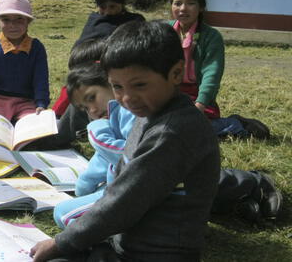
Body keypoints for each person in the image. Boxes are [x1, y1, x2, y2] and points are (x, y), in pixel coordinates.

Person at [31, 20, 220, 261]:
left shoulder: (172, 132)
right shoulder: (147, 113)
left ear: (175, 73)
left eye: (139, 85)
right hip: (126, 241)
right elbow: (120, 179)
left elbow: (125, 201)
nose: (127, 98)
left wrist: (61, 243)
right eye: (117, 87)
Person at [52, 47, 281, 231]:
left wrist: (98, 134)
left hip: (159, 191)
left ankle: (252, 183)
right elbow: (108, 162)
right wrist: (85, 184)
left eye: (92, 98)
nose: (91, 110)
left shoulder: (137, 110)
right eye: (84, 108)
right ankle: (239, 203)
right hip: (151, 189)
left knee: (194, 182)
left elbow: (133, 159)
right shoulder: (114, 114)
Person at [169, 0, 270, 139]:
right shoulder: (164, 31)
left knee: (186, 130)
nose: (183, 8)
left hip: (196, 98)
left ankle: (236, 125)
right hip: (168, 94)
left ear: (201, 7)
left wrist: (200, 105)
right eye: (178, 3)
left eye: (190, 3)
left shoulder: (211, 36)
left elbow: (212, 73)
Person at [52, 0, 145, 118]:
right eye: (102, 7)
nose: (107, 12)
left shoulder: (135, 20)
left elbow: (138, 48)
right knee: (74, 86)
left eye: (112, 7)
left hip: (119, 67)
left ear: (122, 4)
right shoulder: (95, 19)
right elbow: (83, 44)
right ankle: (55, 116)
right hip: (88, 64)